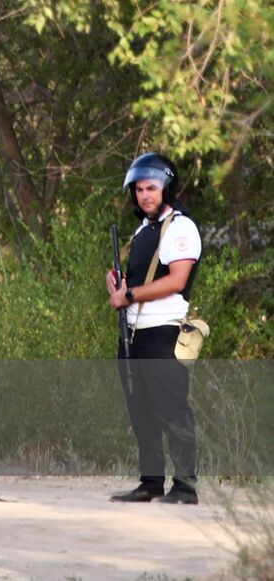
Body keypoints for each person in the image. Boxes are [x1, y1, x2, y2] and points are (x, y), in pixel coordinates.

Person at [106, 153, 202, 505]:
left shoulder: (180, 227)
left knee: (171, 408)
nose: (144, 195)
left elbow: (176, 280)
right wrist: (117, 286)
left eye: (151, 187)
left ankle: (186, 486)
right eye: (139, 189)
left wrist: (129, 293)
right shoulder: (142, 230)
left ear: (167, 188)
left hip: (163, 332)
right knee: (140, 409)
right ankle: (150, 482)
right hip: (134, 333)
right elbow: (138, 282)